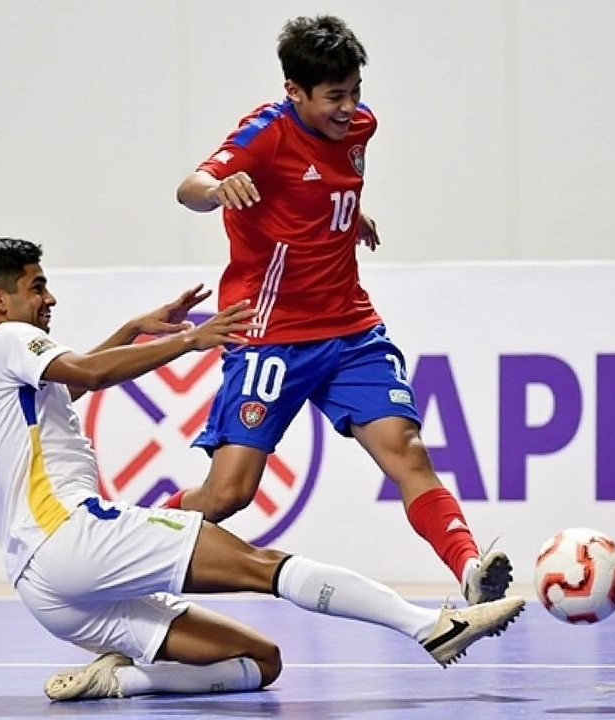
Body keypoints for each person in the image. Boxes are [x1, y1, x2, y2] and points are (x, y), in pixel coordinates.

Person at [0, 237, 525, 701]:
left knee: (260, 662)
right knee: (263, 566)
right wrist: (190, 342)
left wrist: (134, 329)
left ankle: (119, 679)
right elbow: (90, 373)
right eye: (37, 286)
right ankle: (429, 628)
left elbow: (73, 382)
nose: (49, 298)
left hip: (45, 588)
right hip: (72, 537)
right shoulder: (10, 338)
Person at [172, 15, 512, 605]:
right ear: (294, 92)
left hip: (351, 329)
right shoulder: (265, 134)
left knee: (407, 450)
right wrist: (216, 190)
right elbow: (190, 186)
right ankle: (124, 539)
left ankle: (470, 568)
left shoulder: (359, 126)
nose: (350, 107)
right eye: (334, 96)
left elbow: (317, 189)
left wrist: (348, 215)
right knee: (228, 495)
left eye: (355, 91)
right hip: (269, 336)